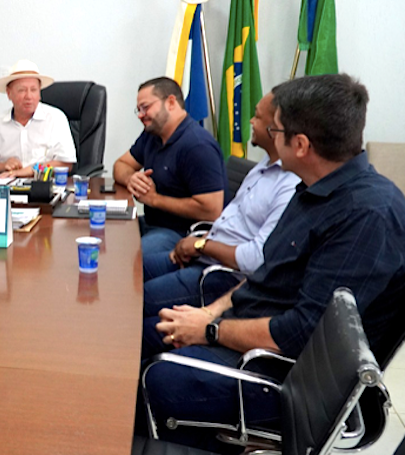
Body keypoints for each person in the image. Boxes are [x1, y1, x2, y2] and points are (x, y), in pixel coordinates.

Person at [140, 74, 405, 452]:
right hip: (249, 330)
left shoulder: (368, 216)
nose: (266, 131)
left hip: (285, 376)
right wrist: (210, 314)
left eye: (274, 127)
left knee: (153, 378)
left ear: (300, 144)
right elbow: (265, 276)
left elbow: (297, 334)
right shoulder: (311, 189)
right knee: (146, 334)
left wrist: (209, 331)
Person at [142, 92, 300, 315]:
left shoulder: (290, 185)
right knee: (129, 274)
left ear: (275, 128)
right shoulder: (265, 164)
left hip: (223, 276)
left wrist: (200, 245)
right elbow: (233, 223)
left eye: (257, 117)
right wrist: (200, 242)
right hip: (204, 252)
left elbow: (255, 258)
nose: (250, 122)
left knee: (138, 300)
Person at [113, 77, 226, 254]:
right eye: (138, 110)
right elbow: (121, 164)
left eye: (146, 107)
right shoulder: (152, 134)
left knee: (126, 260)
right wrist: (131, 178)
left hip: (184, 234)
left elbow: (211, 210)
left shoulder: (197, 146)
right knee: (104, 237)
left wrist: (155, 199)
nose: (141, 115)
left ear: (171, 102)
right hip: (152, 224)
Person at [0, 59, 76, 178]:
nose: (28, 96)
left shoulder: (56, 118)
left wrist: (27, 171)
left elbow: (66, 164)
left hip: (44, 187)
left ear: (39, 93)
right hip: (8, 188)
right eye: (21, 90)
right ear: (9, 93)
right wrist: (2, 166)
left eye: (33, 90)